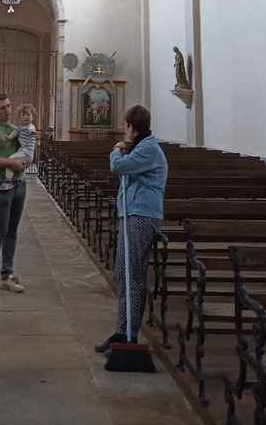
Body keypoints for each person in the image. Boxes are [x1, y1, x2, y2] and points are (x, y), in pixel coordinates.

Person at [95, 105, 168, 354]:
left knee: (133, 277)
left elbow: (118, 167)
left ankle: (129, 334)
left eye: (126, 125)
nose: (124, 130)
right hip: (133, 213)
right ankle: (122, 330)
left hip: (141, 215)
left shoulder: (148, 149)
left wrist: (117, 148)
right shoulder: (143, 147)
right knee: (124, 274)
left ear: (131, 127)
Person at [0, 92, 30, 299]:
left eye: (9, 106)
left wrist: (25, 161)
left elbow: (27, 153)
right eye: (3, 107)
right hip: (0, 183)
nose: (8, 110)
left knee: (12, 231)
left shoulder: (16, 130)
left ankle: (6, 274)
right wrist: (10, 163)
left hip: (19, 183)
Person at [0, 104, 36, 191]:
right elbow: (12, 135)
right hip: (23, 152)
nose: (26, 117)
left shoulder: (31, 127)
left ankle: (8, 182)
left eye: (28, 115)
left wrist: (32, 132)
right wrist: (7, 137)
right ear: (19, 118)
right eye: (23, 115)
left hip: (27, 153)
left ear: (32, 117)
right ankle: (17, 180)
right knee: (15, 165)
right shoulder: (19, 129)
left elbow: (31, 131)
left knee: (9, 161)